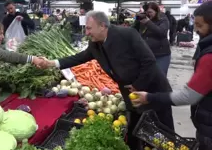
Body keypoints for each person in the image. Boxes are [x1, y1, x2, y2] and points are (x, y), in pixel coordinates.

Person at [38, 11, 174, 150]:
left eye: (89, 28)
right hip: (130, 94)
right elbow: (78, 58)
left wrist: (137, 85)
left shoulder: (127, 35)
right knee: (137, 131)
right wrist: (51, 63)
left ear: (102, 26)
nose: (86, 32)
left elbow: (149, 62)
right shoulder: (95, 45)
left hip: (152, 88)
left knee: (163, 132)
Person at [132, 1, 212, 150]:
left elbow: (188, 96)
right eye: (195, 24)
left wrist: (149, 97)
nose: (195, 30)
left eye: (200, 26)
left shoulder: (209, 58)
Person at [134, 2, 171, 76]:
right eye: (147, 12)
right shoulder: (144, 20)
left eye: (150, 12)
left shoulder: (163, 19)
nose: (148, 14)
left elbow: (161, 32)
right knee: (148, 77)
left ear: (156, 11)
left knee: (160, 77)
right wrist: (137, 21)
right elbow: (135, 31)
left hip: (161, 54)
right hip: (147, 54)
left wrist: (148, 22)